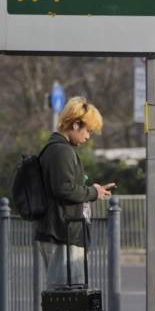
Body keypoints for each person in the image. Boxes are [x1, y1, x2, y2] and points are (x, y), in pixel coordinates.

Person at [36, 97, 115, 288]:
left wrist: (93, 191)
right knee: (65, 294)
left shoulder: (58, 149)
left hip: (64, 231)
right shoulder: (60, 151)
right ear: (76, 123)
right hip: (64, 233)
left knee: (67, 293)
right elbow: (64, 189)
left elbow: (65, 186)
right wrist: (92, 192)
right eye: (87, 130)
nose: (88, 136)